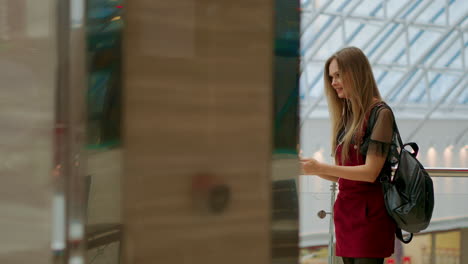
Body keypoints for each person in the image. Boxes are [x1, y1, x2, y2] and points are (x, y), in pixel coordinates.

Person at [300, 47, 396, 264]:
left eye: (338, 75)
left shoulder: (380, 113)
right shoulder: (348, 117)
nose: (333, 82)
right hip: (346, 212)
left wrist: (320, 167)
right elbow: (346, 177)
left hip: (369, 215)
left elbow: (370, 173)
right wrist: (312, 168)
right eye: (331, 77)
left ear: (357, 73)